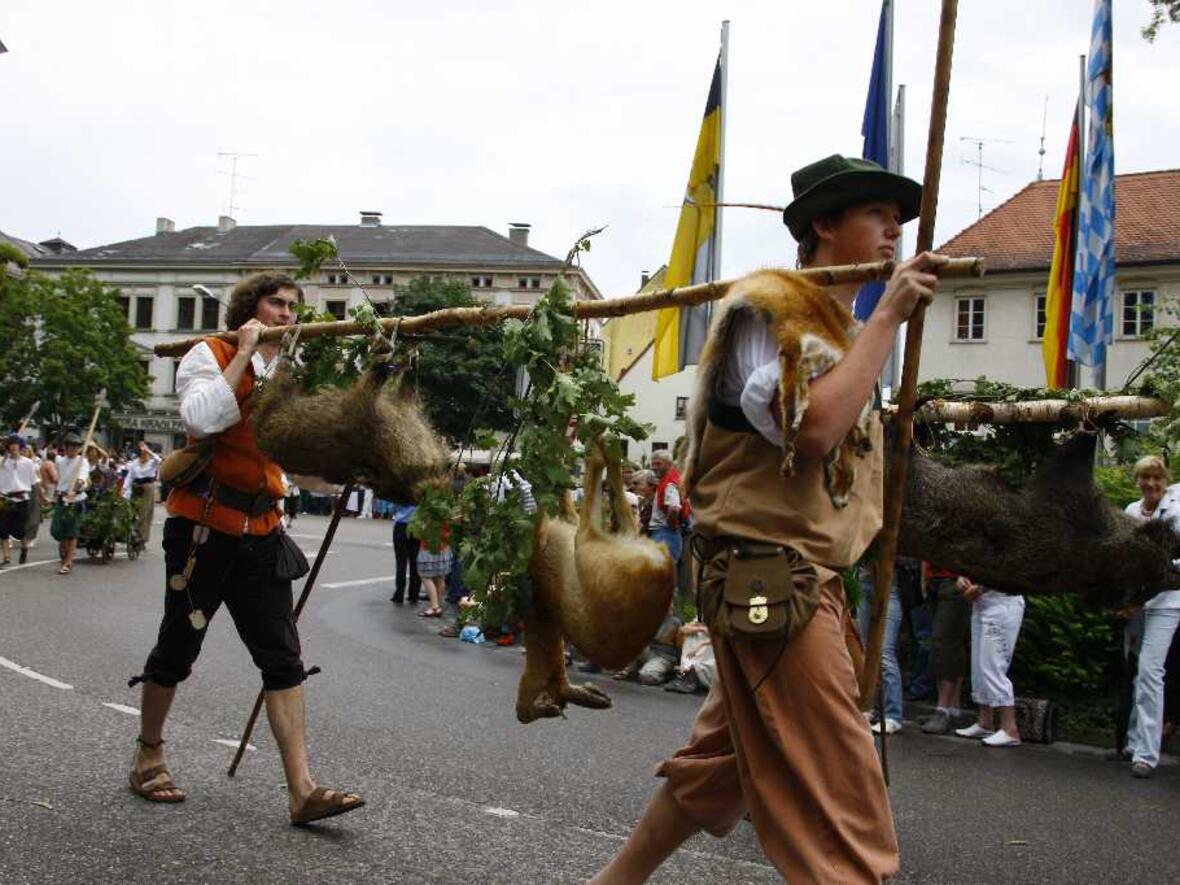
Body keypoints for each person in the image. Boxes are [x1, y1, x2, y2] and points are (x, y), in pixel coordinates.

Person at [590, 154, 944, 884]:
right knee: (838, 785)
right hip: (770, 578)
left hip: (801, 577)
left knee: (722, 761)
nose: (894, 233)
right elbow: (810, 430)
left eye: (898, 221)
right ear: (824, 224)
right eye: (878, 215)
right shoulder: (769, 310)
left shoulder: (844, 332)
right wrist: (887, 319)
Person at [127, 270, 364, 825]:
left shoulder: (289, 370)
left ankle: (301, 790)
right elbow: (202, 417)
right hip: (203, 532)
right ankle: (148, 755)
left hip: (262, 534)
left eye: (292, 306)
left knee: (283, 658)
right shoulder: (207, 354)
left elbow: (292, 462)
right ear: (248, 310)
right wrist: (245, 355)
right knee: (176, 650)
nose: (286, 313)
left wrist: (340, 464)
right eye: (275, 303)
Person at [1120, 454, 1180, 778]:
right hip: (1139, 604)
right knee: (1136, 672)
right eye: (1145, 477)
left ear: (1166, 480)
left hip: (1168, 600)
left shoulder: (1178, 507)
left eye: (1157, 478)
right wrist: (1128, 598)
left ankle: (1146, 753)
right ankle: (1132, 743)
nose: (1151, 484)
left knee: (1149, 671)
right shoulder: (1131, 511)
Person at [953, 577, 1026, 747]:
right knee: (979, 666)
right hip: (982, 603)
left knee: (992, 666)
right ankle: (985, 722)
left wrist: (980, 587)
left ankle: (1010, 729)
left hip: (1003, 601)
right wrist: (963, 579)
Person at [919, 562, 970, 735]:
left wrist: (966, 572)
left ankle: (943, 709)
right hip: (936, 578)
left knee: (944, 643)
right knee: (951, 642)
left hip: (954, 579)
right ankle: (952, 708)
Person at [856, 563, 905, 734]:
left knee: (884, 653)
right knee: (864, 653)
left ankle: (893, 715)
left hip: (888, 585)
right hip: (863, 582)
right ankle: (868, 708)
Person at [51, 432, 91, 575]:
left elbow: (82, 479)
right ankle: (65, 554)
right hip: (62, 499)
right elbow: (59, 479)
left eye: (76, 447)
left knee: (72, 533)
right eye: (70, 446)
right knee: (57, 531)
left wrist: (75, 490)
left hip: (76, 500)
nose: (73, 449)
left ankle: (68, 562)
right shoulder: (60, 461)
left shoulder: (82, 462)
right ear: (65, 447)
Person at [0, 434, 38, 566]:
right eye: (11, 444)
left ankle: (24, 547)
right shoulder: (2, 462)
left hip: (22, 498)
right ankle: (6, 557)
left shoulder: (28, 463)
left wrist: (41, 496)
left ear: (21, 446)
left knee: (20, 529)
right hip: (4, 498)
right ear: (8, 447)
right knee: (2, 529)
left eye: (16, 444)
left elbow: (34, 482)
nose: (14, 446)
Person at [122, 441, 161, 549]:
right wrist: (124, 488)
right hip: (136, 486)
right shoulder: (134, 463)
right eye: (141, 450)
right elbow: (129, 477)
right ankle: (131, 533)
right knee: (133, 510)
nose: (143, 452)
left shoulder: (152, 462)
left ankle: (142, 537)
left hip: (148, 487)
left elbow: (159, 460)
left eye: (144, 450)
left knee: (145, 512)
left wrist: (148, 450)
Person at [647, 450, 684, 566]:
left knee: (662, 572)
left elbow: (674, 508)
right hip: (665, 532)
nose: (654, 467)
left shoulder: (669, 484)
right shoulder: (668, 480)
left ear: (669, 464)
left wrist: (671, 526)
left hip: (665, 533)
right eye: (652, 464)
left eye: (658, 464)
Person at [389, 501, 421, 604]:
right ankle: (414, 593)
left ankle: (399, 593)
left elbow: (393, 508)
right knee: (415, 560)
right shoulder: (422, 491)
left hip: (401, 525)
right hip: (417, 525)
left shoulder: (402, 492)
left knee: (401, 561)